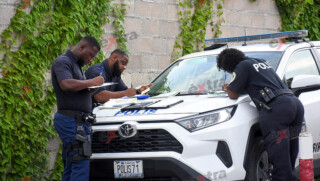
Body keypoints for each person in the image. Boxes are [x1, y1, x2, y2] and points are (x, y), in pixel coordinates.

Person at [217, 48, 304, 181]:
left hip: (276, 110)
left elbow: (233, 94)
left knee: (280, 159)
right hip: (295, 105)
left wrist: (228, 88)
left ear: (229, 66)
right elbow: (260, 83)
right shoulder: (260, 62)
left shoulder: (241, 66)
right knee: (290, 156)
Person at [51, 36, 104, 181]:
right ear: (82, 48)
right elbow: (66, 84)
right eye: (91, 55)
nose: (91, 60)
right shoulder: (63, 61)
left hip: (78, 121)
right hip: (71, 120)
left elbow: (76, 88)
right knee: (80, 164)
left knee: (71, 166)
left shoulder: (77, 66)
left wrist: (89, 89)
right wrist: (91, 81)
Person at [85, 49, 152, 104]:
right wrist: (125, 93)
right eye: (123, 63)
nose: (125, 67)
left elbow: (125, 91)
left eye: (126, 65)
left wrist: (138, 91)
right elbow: (100, 96)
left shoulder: (115, 74)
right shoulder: (97, 71)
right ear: (114, 58)